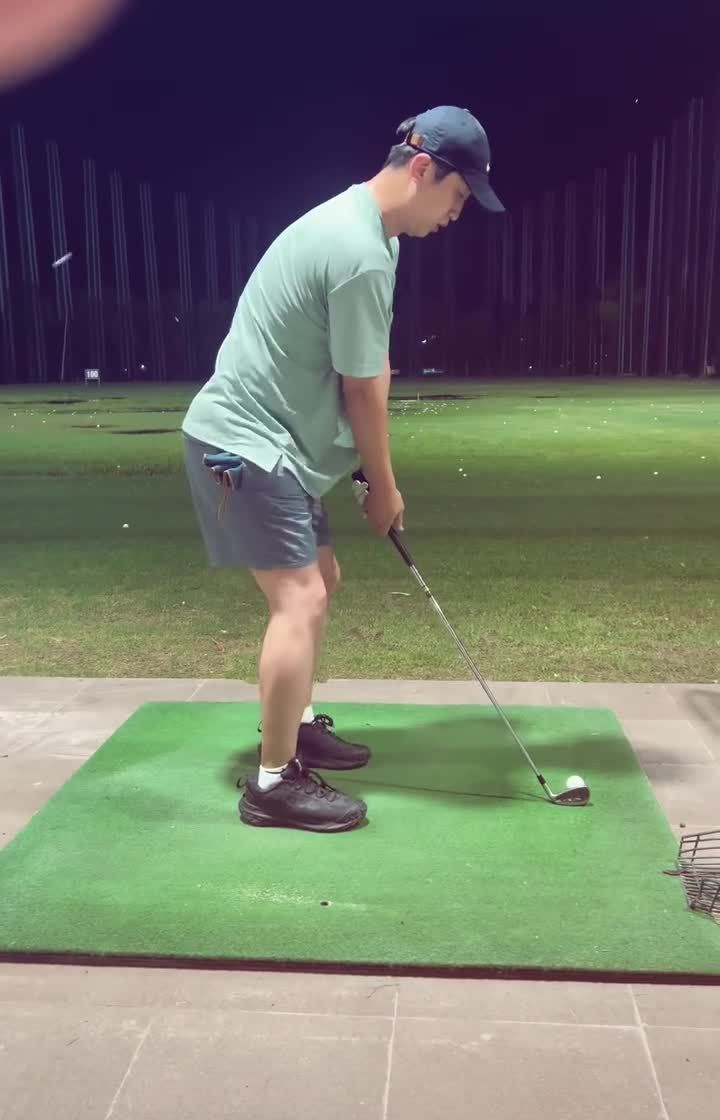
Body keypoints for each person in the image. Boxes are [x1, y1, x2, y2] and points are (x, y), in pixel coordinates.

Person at [181, 105, 504, 834]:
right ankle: (272, 783)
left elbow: (369, 368)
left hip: (278, 446)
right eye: (458, 195)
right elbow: (361, 389)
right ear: (422, 169)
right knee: (299, 599)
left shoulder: (373, 235)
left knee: (322, 579)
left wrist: (362, 465)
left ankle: (293, 730)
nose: (457, 213)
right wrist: (383, 486)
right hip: (243, 442)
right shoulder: (359, 249)